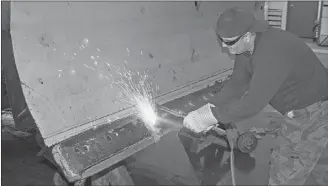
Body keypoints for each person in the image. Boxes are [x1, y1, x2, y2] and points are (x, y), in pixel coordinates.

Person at [182, 7, 328, 185]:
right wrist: (207, 109)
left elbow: (252, 103)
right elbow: (236, 85)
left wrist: (211, 117)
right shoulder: (246, 47)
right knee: (319, 161)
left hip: (314, 109)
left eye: (229, 42)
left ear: (248, 35)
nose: (223, 46)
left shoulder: (272, 52)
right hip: (311, 103)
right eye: (221, 40)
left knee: (286, 168)